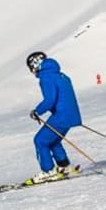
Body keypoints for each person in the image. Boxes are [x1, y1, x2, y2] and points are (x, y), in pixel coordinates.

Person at [25, 51, 82, 181]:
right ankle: (65, 167)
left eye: (31, 67)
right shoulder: (60, 75)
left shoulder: (46, 77)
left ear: (36, 64)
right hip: (71, 116)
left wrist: (37, 111)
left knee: (40, 140)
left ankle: (48, 171)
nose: (32, 71)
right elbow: (62, 98)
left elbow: (50, 100)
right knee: (53, 141)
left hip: (61, 116)